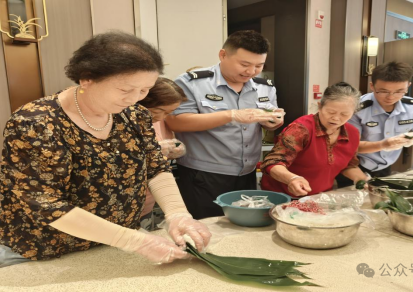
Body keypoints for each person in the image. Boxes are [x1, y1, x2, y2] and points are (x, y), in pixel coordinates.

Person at [0, 32, 211, 268]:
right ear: (87, 79)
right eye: (125, 90)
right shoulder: (36, 122)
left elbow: (155, 166)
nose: (134, 99)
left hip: (114, 244)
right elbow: (44, 202)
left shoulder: (135, 115)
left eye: (144, 90)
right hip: (44, 249)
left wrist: (177, 214)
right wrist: (135, 241)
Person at [165, 30, 285, 219]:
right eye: (244, 64)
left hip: (248, 171)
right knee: (207, 226)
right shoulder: (192, 82)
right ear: (223, 55)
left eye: (259, 66)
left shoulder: (265, 86)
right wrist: (231, 115)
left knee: (242, 225)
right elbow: (175, 121)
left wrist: (273, 121)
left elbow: (268, 124)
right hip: (204, 172)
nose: (251, 71)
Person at [260, 82, 369, 197]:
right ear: (320, 106)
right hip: (283, 196)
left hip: (320, 196)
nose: (336, 118)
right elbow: (272, 162)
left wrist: (362, 180)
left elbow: (349, 165)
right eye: (331, 112)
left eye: (344, 114)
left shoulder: (352, 133)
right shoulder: (301, 129)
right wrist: (292, 179)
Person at [339, 62, 413, 186]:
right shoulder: (357, 108)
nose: (391, 97)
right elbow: (351, 147)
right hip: (354, 166)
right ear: (372, 86)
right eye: (383, 91)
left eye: (399, 91)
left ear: (408, 86)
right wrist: (384, 145)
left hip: (385, 166)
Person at [138, 77, 188, 218]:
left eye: (168, 113)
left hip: (148, 200)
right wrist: (154, 149)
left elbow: (173, 142)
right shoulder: (122, 121)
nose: (161, 117)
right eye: (159, 110)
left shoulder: (157, 122)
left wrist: (176, 147)